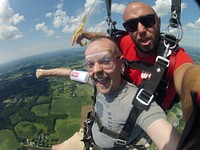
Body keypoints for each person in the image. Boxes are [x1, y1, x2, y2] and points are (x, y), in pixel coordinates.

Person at [36, 36, 180, 149]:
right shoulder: (94, 80)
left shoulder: (137, 103)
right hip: (88, 136)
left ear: (120, 63)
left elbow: (168, 138)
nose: (97, 70)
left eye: (105, 61)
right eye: (90, 64)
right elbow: (69, 73)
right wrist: (45, 72)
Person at [71, 2, 196, 110]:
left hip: (150, 114)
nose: (141, 30)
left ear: (158, 21)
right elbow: (108, 38)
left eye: (147, 21)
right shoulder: (126, 42)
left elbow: (188, 76)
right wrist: (86, 34)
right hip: (125, 102)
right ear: (128, 30)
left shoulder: (175, 57)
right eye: (132, 25)